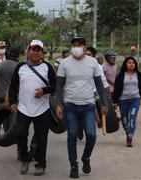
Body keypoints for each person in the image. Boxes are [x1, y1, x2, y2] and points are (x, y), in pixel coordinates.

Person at [55, 37, 108, 178]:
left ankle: (86, 157)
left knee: (91, 135)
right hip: (70, 105)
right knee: (72, 135)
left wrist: (104, 103)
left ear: (85, 47)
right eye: (74, 45)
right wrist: (58, 104)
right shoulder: (64, 63)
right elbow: (59, 85)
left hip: (88, 106)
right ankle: (74, 165)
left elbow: (99, 85)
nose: (76, 47)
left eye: (79, 45)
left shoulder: (93, 63)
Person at [9, 40, 56, 176]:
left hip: (42, 108)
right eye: (33, 49)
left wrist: (44, 91)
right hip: (24, 108)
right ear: (28, 51)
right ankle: (25, 158)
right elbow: (13, 86)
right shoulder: (20, 67)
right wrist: (12, 102)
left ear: (42, 53)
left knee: (42, 138)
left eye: (38, 50)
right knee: (20, 134)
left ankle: (41, 165)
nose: (35, 52)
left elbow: (55, 86)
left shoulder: (47, 67)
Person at [113, 56, 141, 147]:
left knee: (132, 117)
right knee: (125, 119)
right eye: (129, 63)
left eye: (133, 63)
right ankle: (128, 132)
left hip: (135, 99)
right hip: (123, 100)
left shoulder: (138, 74)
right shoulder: (121, 75)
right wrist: (115, 102)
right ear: (125, 64)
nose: (131, 64)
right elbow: (116, 89)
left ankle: (130, 137)